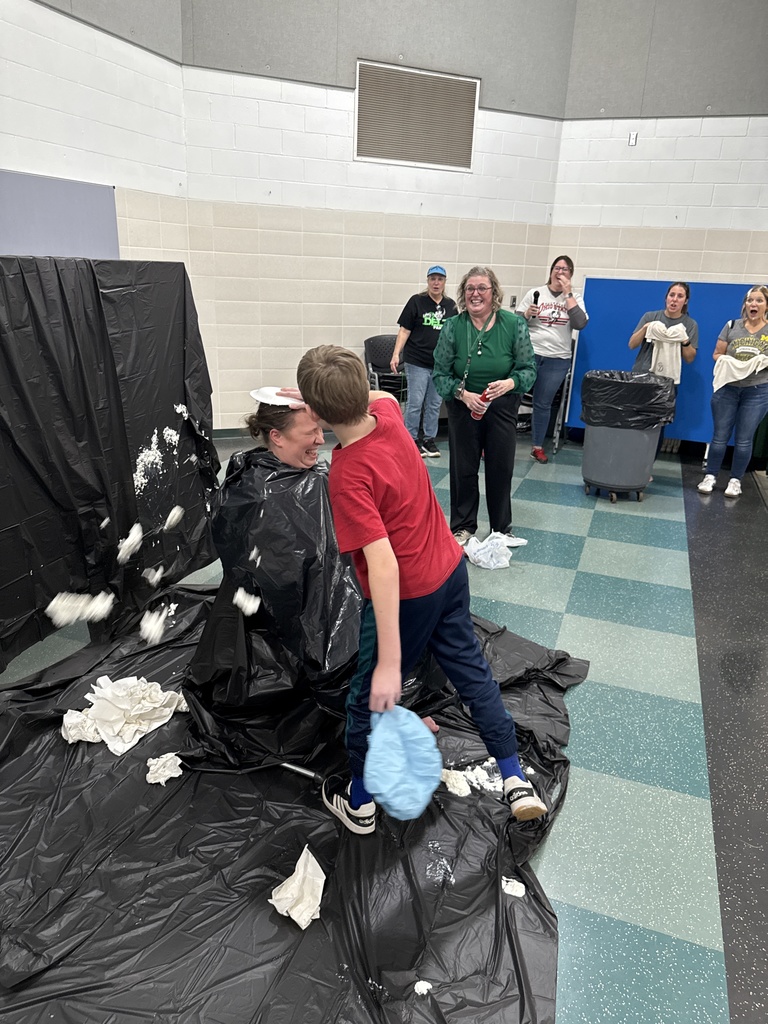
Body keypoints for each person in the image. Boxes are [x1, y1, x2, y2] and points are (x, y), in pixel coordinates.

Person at [295, 345, 547, 836]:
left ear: (319, 416)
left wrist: (391, 664)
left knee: (366, 697)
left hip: (408, 594)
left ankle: (361, 803)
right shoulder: (387, 411)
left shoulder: (346, 474)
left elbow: (383, 567)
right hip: (450, 571)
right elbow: (362, 397)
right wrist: (322, 397)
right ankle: (515, 778)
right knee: (472, 672)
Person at [432, 265, 536, 548]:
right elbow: (439, 374)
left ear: (494, 293)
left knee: (500, 467)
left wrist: (509, 384)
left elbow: (528, 370)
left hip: (501, 405)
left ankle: (502, 529)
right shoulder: (453, 326)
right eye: (470, 289)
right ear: (463, 294)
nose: (475, 294)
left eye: (482, 288)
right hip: (463, 405)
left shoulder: (513, 324)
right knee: (463, 468)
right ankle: (463, 527)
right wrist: (462, 393)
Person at [698, 286, 768, 498]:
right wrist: (729, 361)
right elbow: (717, 354)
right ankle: (710, 475)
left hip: (757, 391)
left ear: (766, 305)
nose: (753, 305)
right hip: (727, 389)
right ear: (745, 305)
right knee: (719, 436)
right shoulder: (731, 326)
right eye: (749, 301)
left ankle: (735, 480)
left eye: (758, 301)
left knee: (745, 439)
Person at [519, 256, 588, 464]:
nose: (560, 272)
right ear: (550, 271)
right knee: (511, 398)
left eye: (565, 269)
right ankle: (496, 443)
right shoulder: (535, 293)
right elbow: (516, 322)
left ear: (571, 274)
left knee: (543, 403)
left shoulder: (575, 297)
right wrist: (526, 314)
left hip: (557, 359)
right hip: (530, 354)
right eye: (557, 268)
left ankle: (537, 447)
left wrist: (568, 294)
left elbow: (579, 323)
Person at [390, 265, 457, 457]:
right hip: (417, 361)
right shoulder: (416, 302)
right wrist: (396, 354)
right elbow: (404, 330)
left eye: (440, 279)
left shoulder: (451, 306)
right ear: (427, 281)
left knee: (434, 403)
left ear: (445, 282)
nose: (436, 283)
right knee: (415, 402)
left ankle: (429, 439)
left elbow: (454, 336)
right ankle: (411, 439)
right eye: (432, 279)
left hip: (440, 364)